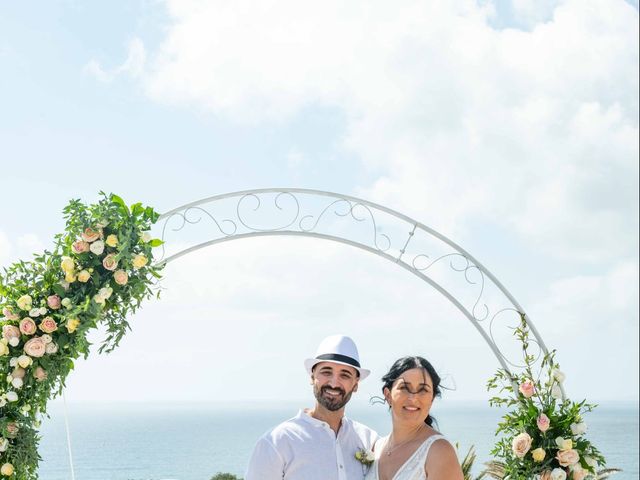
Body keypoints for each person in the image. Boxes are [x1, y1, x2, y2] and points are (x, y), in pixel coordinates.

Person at [245, 334, 379, 480]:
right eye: (326, 372)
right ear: (312, 377)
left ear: (355, 385)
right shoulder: (278, 442)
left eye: (345, 375)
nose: (334, 383)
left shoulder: (369, 440)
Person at [365, 356, 463, 480]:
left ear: (432, 399)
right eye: (404, 388)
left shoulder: (439, 452)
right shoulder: (376, 448)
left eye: (423, 390)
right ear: (388, 395)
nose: (413, 398)